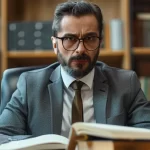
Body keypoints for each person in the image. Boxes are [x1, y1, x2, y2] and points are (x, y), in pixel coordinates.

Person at [0, 0, 150, 138]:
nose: (80, 49)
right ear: (54, 44)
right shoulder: (30, 85)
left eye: (90, 38)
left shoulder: (126, 84)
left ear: (100, 42)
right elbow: (3, 135)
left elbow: (146, 133)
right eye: (70, 39)